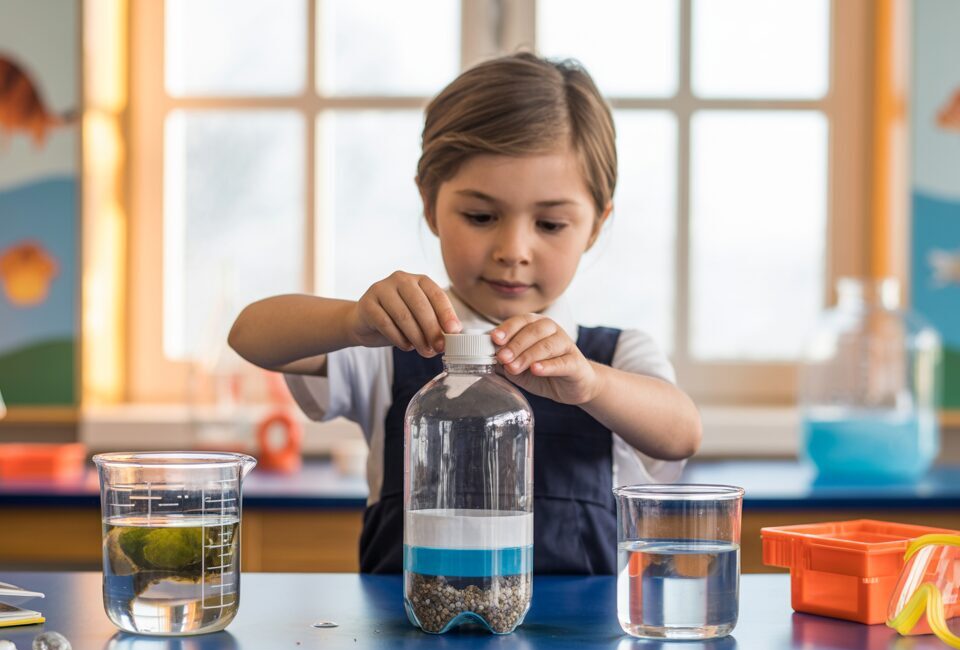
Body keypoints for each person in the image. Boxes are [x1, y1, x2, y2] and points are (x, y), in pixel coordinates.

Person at [228, 52, 702, 574]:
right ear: (430, 204)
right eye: (481, 216)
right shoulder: (389, 345)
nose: (513, 249)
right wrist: (352, 323)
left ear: (594, 224)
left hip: (578, 649)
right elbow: (249, 334)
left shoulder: (613, 357)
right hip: (408, 647)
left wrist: (591, 384)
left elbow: (681, 433)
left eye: (550, 225)